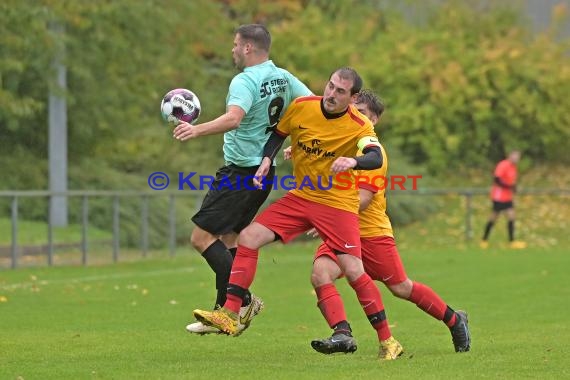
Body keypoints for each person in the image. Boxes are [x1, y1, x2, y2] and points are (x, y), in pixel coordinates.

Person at [193, 67, 404, 360]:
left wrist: (353, 162)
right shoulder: (302, 107)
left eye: (340, 91)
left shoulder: (359, 125)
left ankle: (388, 341)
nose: (331, 94)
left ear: (352, 97)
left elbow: (375, 156)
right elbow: (279, 134)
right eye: (330, 86)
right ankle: (230, 313)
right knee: (249, 237)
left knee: (354, 270)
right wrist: (267, 159)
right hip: (302, 197)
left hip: (336, 204)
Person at [304, 90, 470, 357]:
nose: (356, 116)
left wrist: (329, 218)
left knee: (401, 288)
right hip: (342, 233)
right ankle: (342, 334)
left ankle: (454, 319)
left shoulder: (373, 153)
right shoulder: (340, 142)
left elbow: (365, 199)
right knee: (320, 274)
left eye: (364, 113)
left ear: (375, 120)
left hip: (371, 234)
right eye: (354, 110)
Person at [172, 24, 312, 335]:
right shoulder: (282, 77)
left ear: (248, 48)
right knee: (230, 240)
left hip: (240, 174)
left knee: (201, 238)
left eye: (236, 44)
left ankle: (243, 301)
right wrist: (296, 142)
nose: (233, 49)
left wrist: (195, 129)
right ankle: (224, 311)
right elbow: (312, 106)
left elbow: (234, 118)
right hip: (264, 173)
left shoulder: (244, 81)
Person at [480, 150, 527, 249]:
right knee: (494, 217)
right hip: (499, 196)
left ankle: (512, 242)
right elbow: (497, 179)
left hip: (507, 197)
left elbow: (510, 181)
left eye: (518, 157)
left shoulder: (513, 168)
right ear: (510, 155)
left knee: (511, 216)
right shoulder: (503, 165)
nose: (516, 158)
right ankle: (484, 240)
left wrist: (514, 188)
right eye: (515, 156)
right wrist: (509, 187)